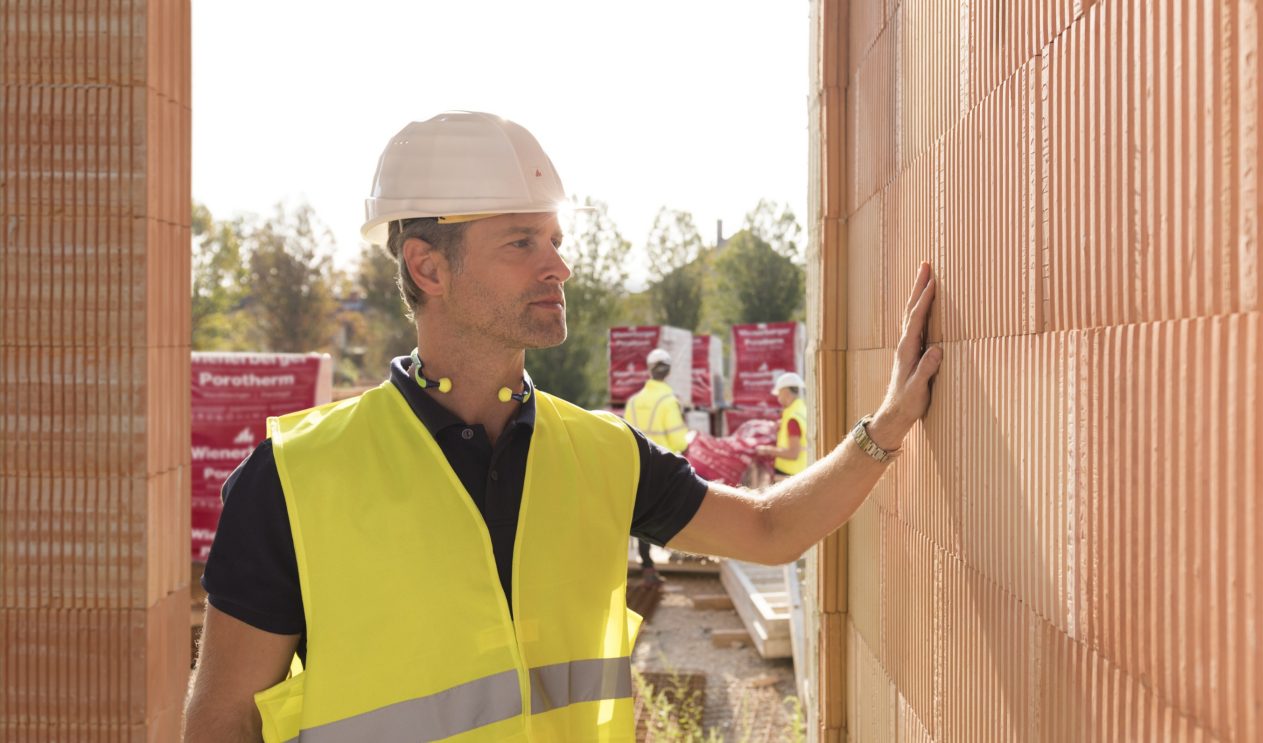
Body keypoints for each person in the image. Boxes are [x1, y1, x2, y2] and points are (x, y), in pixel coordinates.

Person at [183, 111, 943, 743]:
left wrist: (887, 424)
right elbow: (220, 723)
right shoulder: (295, 479)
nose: (560, 266)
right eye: (523, 242)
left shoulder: (601, 451)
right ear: (428, 267)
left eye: (555, 238)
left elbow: (771, 529)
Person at [622, 348, 690, 583]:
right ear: (668, 372)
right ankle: (678, 553)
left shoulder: (633, 401)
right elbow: (679, 441)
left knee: (640, 514)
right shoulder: (668, 401)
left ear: (649, 370)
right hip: (665, 468)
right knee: (673, 510)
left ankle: (647, 565)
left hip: (636, 465)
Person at [756, 371, 808, 479]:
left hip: (788, 476)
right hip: (801, 472)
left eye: (779, 393)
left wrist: (767, 450)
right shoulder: (802, 410)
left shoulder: (792, 418)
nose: (778, 397)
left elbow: (793, 453)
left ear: (785, 392)